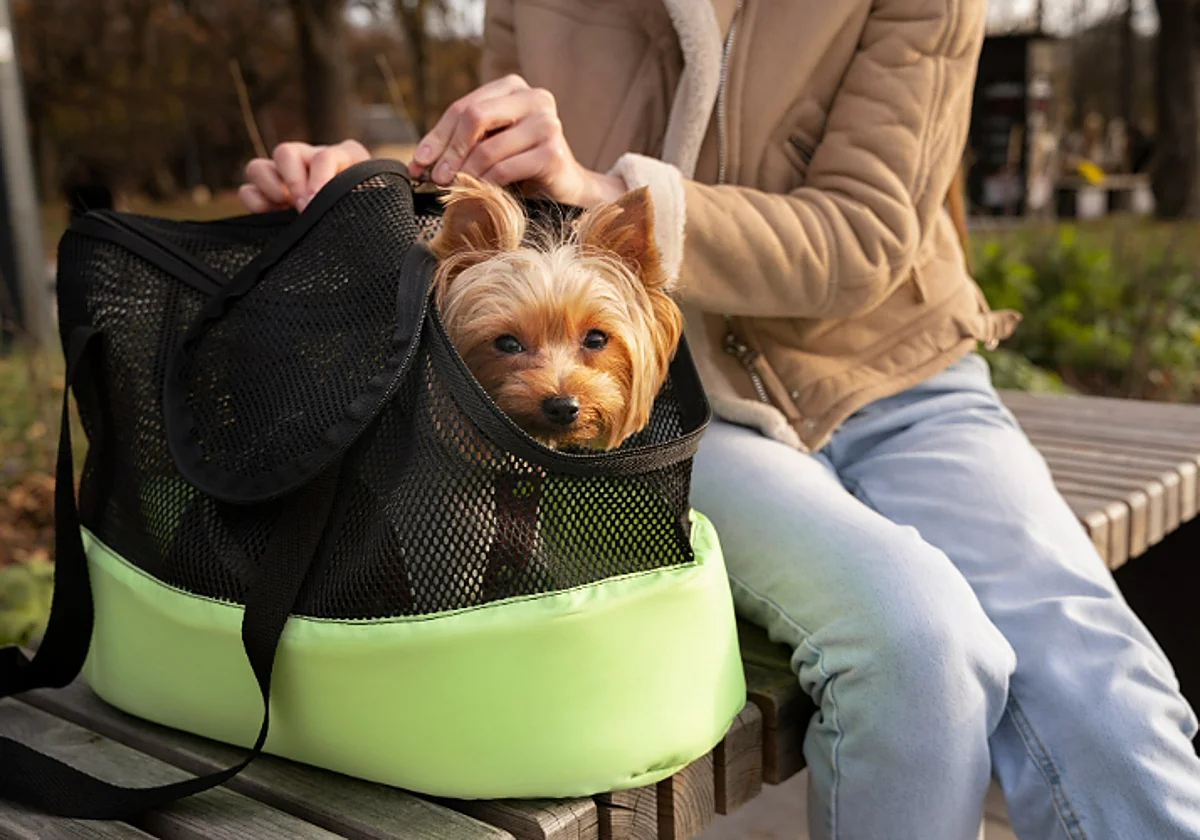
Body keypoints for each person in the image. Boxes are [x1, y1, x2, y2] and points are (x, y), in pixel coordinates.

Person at [240, 2, 1200, 837]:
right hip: (676, 404)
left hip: (901, 372)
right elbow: (498, 242)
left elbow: (863, 233)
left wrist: (607, 191)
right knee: (920, 652)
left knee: (1110, 692)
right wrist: (363, 192)